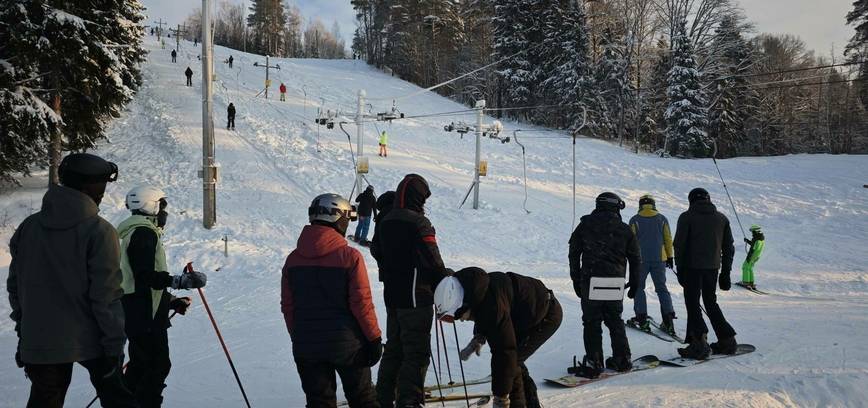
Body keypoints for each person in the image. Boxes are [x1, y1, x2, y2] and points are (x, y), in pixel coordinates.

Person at [7, 153, 137, 408]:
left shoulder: (29, 227)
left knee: (44, 400)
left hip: (40, 339)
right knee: (118, 400)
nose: (104, 190)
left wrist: (24, 329)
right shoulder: (99, 231)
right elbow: (106, 296)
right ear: (87, 185)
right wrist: (114, 345)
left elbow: (15, 287)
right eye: (102, 183)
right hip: (91, 339)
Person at [282, 194, 382, 407]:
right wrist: (374, 339)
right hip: (347, 345)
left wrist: (299, 336)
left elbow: (288, 307)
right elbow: (361, 303)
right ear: (339, 220)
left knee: (319, 402)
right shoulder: (349, 257)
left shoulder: (292, 260)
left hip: (307, 345)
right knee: (363, 399)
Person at [118, 185, 208, 407]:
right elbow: (144, 276)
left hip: (138, 310)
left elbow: (136, 283)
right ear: (151, 206)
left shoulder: (129, 231)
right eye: (162, 206)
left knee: (142, 364)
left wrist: (169, 302)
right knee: (156, 365)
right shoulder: (143, 233)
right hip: (144, 315)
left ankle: (128, 402)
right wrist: (178, 281)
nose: (164, 212)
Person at [371, 174, 450, 408]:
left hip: (392, 296)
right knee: (416, 352)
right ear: (416, 197)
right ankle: (409, 400)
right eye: (423, 198)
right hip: (417, 297)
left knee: (394, 348)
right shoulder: (418, 222)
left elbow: (376, 249)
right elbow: (433, 260)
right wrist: (445, 280)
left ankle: (383, 397)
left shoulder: (385, 219)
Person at [435, 268, 562, 408]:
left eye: (459, 316)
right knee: (512, 364)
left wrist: (501, 398)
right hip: (521, 316)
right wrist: (479, 336)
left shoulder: (492, 307)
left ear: (464, 305)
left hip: (545, 317)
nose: (462, 320)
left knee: (511, 363)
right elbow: (483, 311)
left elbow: (505, 353)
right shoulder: (475, 288)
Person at [568, 192, 640, 377]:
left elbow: (574, 253)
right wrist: (635, 282)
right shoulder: (624, 229)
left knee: (592, 322)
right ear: (615, 206)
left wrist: (575, 279)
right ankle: (623, 359)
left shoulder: (585, 225)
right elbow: (635, 258)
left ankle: (594, 361)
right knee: (615, 320)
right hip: (615, 283)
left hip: (591, 282)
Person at [674, 188, 738, 359]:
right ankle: (727, 339)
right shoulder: (721, 218)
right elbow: (728, 248)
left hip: (691, 268)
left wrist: (680, 269)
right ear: (708, 199)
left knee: (693, 303)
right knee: (710, 302)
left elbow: (679, 245)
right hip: (712, 268)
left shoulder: (686, 217)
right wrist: (726, 273)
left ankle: (699, 343)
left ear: (691, 201)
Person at [626, 194, 676, 335]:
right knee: (661, 288)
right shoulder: (662, 219)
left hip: (640, 260)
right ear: (653, 204)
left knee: (639, 287)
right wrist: (670, 256)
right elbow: (668, 238)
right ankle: (668, 320)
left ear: (640, 205)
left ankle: (642, 319)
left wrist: (630, 258)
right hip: (659, 259)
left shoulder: (635, 220)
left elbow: (631, 241)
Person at [740, 225, 765, 289]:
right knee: (750, 268)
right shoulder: (761, 238)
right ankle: (751, 282)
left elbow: (753, 249)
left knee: (745, 267)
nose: (752, 234)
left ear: (755, 231)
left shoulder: (756, 239)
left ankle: (746, 282)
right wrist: (747, 241)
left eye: (753, 232)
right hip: (757, 256)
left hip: (752, 256)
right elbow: (754, 245)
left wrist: (748, 258)